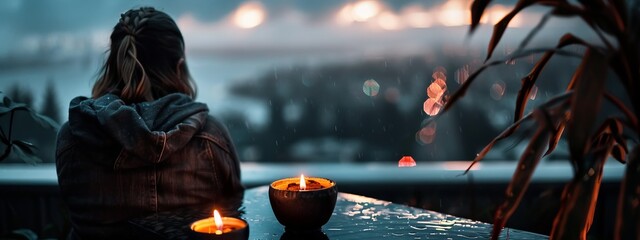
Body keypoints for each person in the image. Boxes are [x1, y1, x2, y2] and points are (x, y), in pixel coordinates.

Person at [55, 7, 244, 239]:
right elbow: (234, 211)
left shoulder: (74, 136)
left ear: (115, 64)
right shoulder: (210, 137)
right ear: (179, 66)